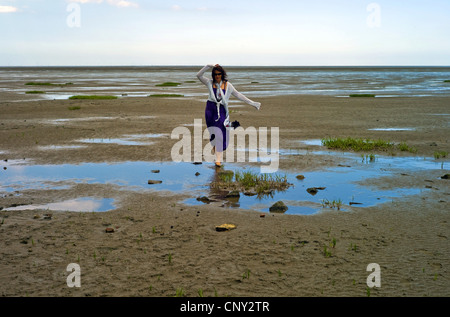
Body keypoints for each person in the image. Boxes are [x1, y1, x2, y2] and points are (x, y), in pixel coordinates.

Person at [196, 64, 261, 167]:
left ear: (222, 74)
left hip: (221, 111)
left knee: (220, 134)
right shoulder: (209, 82)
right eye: (215, 74)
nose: (217, 76)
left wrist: (253, 103)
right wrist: (209, 65)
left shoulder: (228, 85)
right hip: (210, 110)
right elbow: (199, 75)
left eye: (219, 74)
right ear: (213, 75)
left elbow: (239, 95)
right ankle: (216, 153)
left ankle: (218, 160)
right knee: (213, 133)